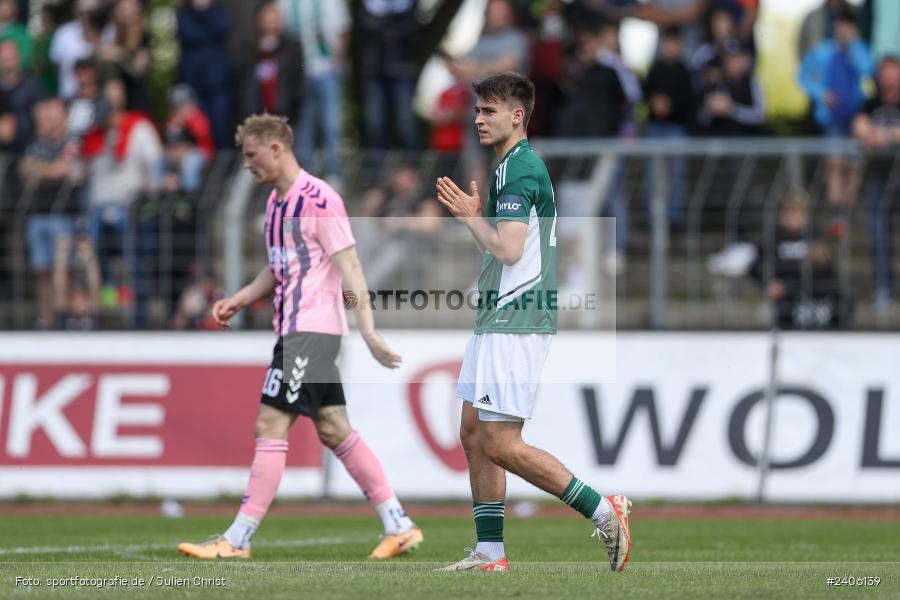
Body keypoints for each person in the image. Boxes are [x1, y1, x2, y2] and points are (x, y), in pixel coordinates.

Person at [177, 113, 423, 560]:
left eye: (252, 156)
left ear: (276, 149)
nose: (248, 165)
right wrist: (240, 297)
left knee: (269, 424)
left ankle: (238, 539)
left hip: (310, 331)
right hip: (299, 330)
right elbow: (278, 269)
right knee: (333, 429)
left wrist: (368, 331)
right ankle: (398, 524)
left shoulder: (319, 199)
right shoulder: (275, 203)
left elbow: (351, 267)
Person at [434, 72, 632, 573]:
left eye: (488, 110)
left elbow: (510, 248)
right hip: (499, 314)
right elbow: (506, 248)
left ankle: (602, 509)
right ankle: (490, 553)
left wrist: (469, 218)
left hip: (516, 317)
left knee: (500, 442)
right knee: (474, 432)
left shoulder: (520, 168)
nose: (478, 118)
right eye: (477, 110)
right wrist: (482, 218)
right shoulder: (510, 168)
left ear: (517, 116)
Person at [853, 56, 900, 311]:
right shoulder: (871, 102)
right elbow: (858, 126)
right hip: (879, 177)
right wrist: (872, 134)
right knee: (878, 233)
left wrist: (887, 135)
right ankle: (884, 288)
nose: (890, 79)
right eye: (886, 74)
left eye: (894, 74)